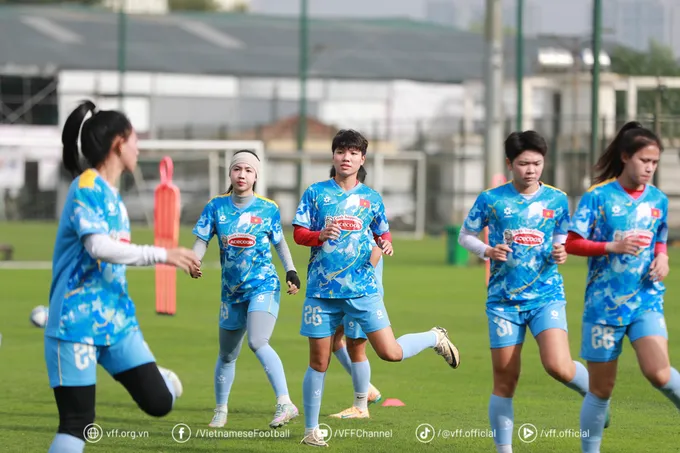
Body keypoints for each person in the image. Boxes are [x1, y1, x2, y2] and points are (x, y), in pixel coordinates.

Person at [45, 100, 199, 453]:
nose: (138, 148)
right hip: (75, 325)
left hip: (117, 322)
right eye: (134, 139)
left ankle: (159, 377)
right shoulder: (86, 186)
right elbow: (98, 246)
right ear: (118, 143)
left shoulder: (114, 196)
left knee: (159, 402)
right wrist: (162, 254)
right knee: (77, 425)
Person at [293, 129, 460, 447]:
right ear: (333, 156)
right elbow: (299, 233)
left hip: (363, 290)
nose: (346, 157)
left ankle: (434, 337)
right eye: (341, 151)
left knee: (390, 353)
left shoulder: (372, 198)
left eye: (353, 153)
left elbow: (383, 232)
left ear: (362, 159)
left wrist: (386, 243)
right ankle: (311, 431)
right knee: (318, 362)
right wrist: (318, 236)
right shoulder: (315, 193)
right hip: (321, 292)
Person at [459, 131, 593, 453]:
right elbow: (465, 235)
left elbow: (562, 234)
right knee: (505, 379)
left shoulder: (557, 199)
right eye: (523, 163)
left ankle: (595, 395)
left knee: (558, 366)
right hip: (503, 302)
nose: (531, 169)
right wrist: (487, 251)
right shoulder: (491, 199)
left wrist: (561, 250)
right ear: (509, 164)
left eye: (537, 163)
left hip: (546, 296)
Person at [565, 121, 679, 453]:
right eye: (644, 160)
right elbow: (572, 243)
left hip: (645, 300)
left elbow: (660, 237)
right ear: (626, 157)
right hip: (603, 306)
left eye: (655, 162)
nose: (650, 168)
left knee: (659, 373)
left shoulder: (658, 199)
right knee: (601, 390)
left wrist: (663, 258)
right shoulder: (598, 196)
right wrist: (611, 247)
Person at [190, 150, 302, 429]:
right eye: (237, 169)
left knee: (257, 341)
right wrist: (195, 260)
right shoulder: (215, 206)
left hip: (264, 286)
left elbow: (280, 242)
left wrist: (291, 270)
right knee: (227, 355)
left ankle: (285, 402)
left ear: (256, 176)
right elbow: (202, 239)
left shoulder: (268, 208)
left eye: (248, 170)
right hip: (231, 292)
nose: (242, 175)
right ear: (230, 173)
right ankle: (220, 410)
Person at [328, 165, 383, 418]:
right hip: (341, 292)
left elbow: (377, 248)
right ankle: (367, 390)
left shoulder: (365, 209)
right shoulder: (339, 211)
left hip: (360, 292)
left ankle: (361, 406)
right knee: (333, 339)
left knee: (362, 347)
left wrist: (357, 278)